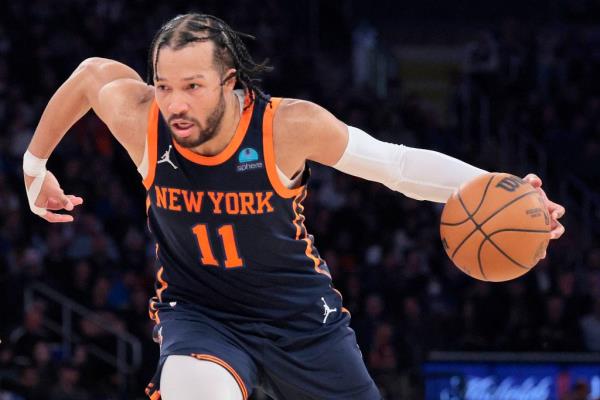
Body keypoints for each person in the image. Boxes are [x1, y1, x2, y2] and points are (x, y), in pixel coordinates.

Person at [23, 13, 565, 400]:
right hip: (201, 314)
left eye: (193, 85)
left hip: (303, 319)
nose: (175, 103)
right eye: (164, 85)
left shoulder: (286, 127)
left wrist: (504, 186)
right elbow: (92, 74)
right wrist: (35, 162)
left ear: (229, 82)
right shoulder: (143, 121)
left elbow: (396, 166)